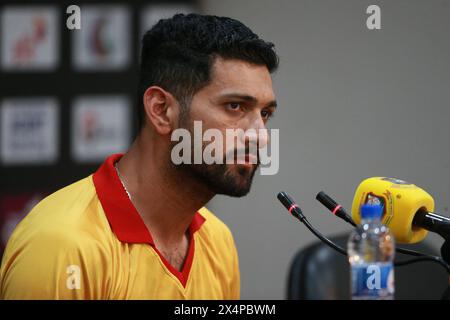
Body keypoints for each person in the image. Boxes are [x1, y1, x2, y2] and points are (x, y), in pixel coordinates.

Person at [0, 13, 278, 299]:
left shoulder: (218, 242)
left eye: (265, 114)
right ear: (160, 110)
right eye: (235, 106)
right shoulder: (61, 246)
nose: (260, 136)